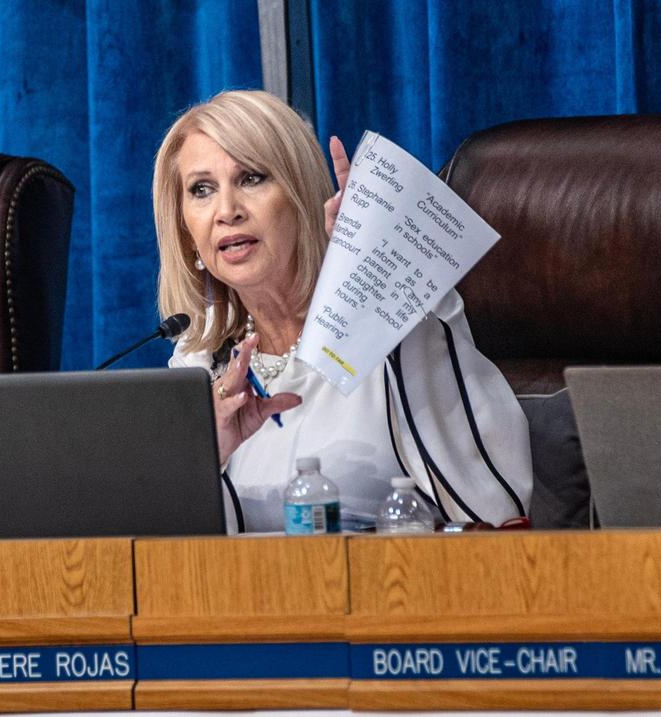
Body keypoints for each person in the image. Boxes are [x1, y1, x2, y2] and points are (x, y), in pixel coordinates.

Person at [154, 90, 532, 533]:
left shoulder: (394, 321)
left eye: (252, 178)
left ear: (301, 198)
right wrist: (205, 458)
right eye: (202, 190)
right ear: (185, 230)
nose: (227, 211)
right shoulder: (197, 366)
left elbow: (497, 515)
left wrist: (383, 283)